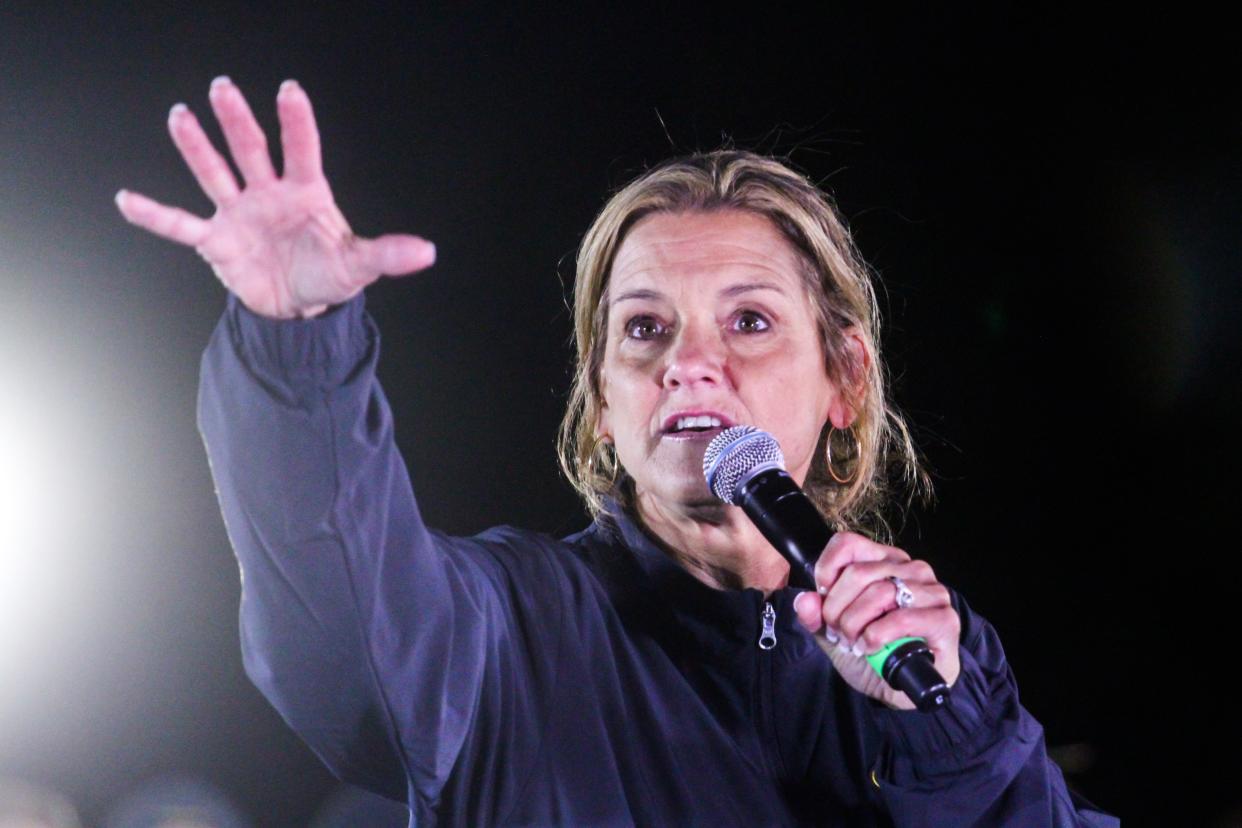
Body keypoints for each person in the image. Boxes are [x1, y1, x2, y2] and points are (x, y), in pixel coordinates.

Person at [116, 77, 1118, 827]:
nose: (692, 363)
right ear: (600, 404)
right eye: (644, 330)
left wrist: (947, 732)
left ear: (845, 378)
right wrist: (300, 345)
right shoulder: (497, 635)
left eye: (752, 321)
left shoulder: (936, 665)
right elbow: (337, 626)